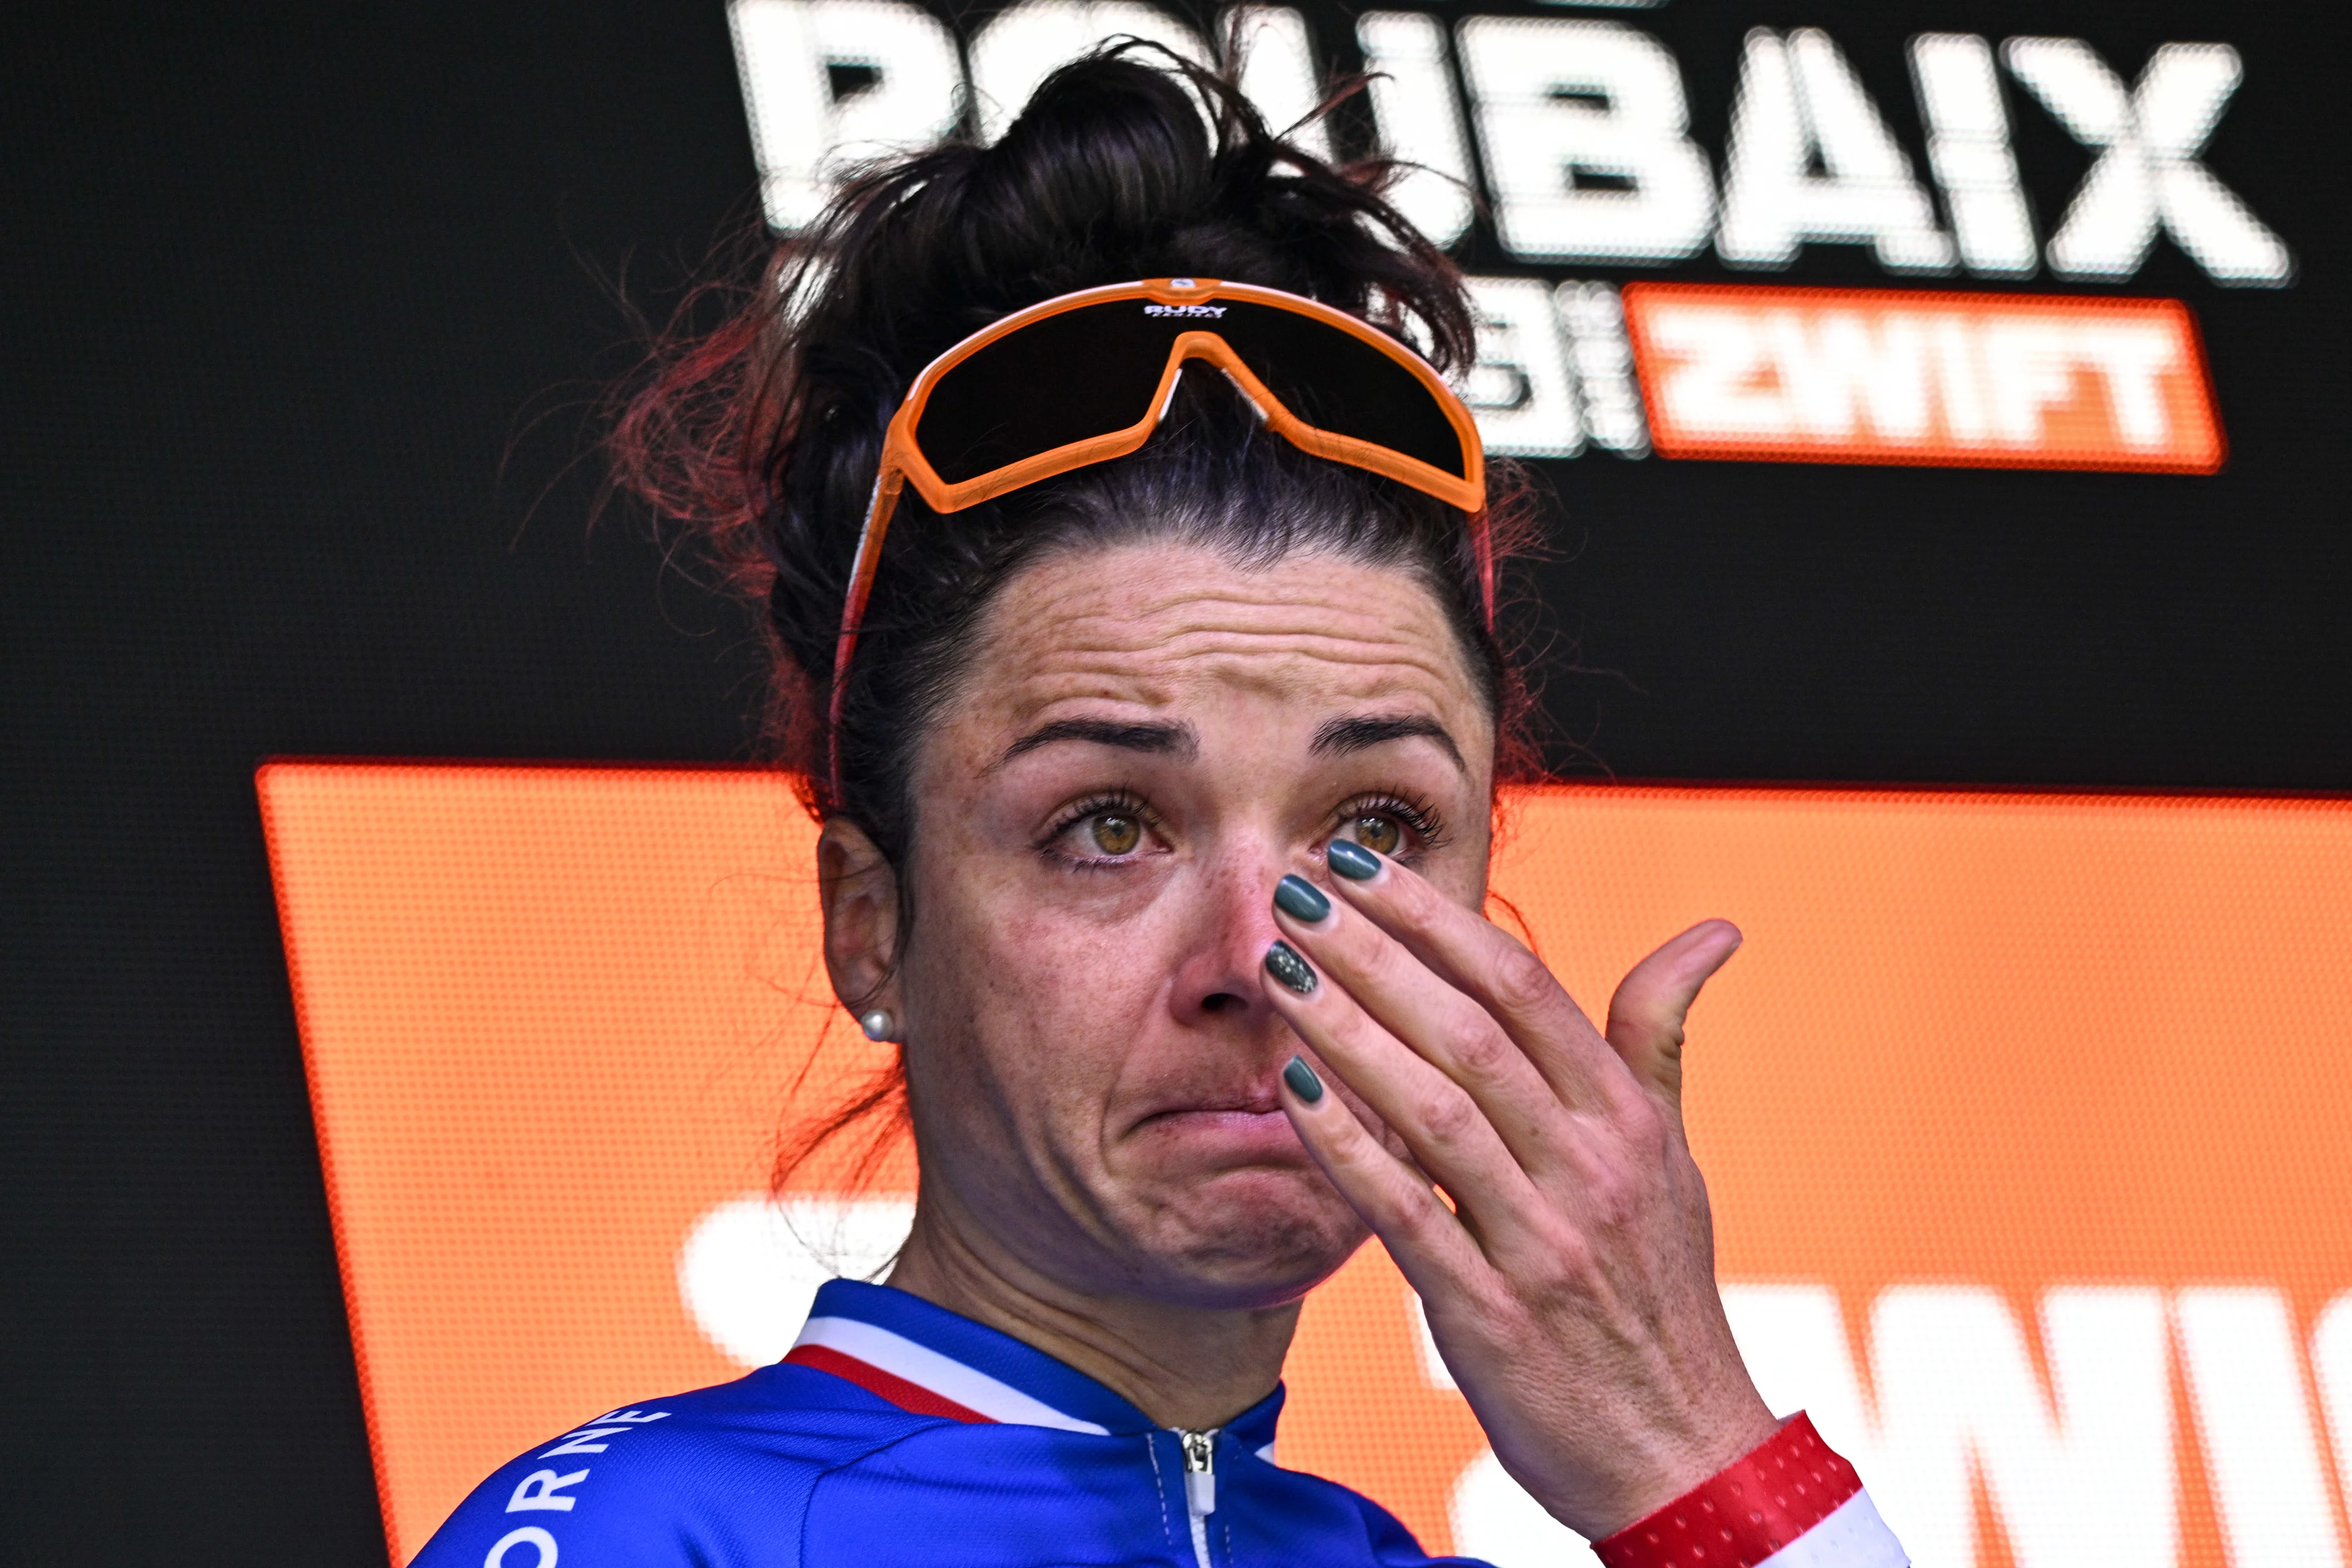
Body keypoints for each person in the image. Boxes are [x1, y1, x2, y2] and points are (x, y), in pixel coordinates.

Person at [418, 45, 1906, 1568]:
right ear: (869, 925)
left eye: (1374, 828)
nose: (1259, 959)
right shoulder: (650, 1537)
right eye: (1110, 824)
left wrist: (1693, 1452)